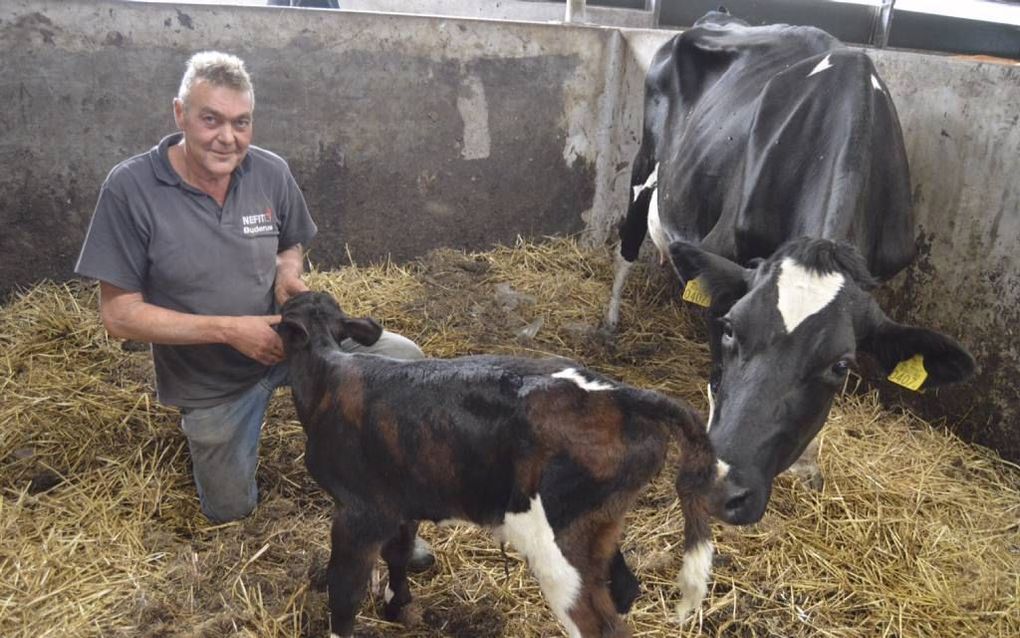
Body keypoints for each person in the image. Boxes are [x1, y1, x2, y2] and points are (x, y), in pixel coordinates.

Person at [75, 51, 433, 570]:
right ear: (180, 115)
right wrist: (228, 330)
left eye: (240, 123)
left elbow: (291, 244)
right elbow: (120, 316)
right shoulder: (130, 189)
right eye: (210, 119)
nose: (228, 138)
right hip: (212, 380)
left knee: (406, 361)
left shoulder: (269, 171)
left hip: (292, 343)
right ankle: (217, 439)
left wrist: (287, 275)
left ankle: (388, 516)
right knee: (229, 512)